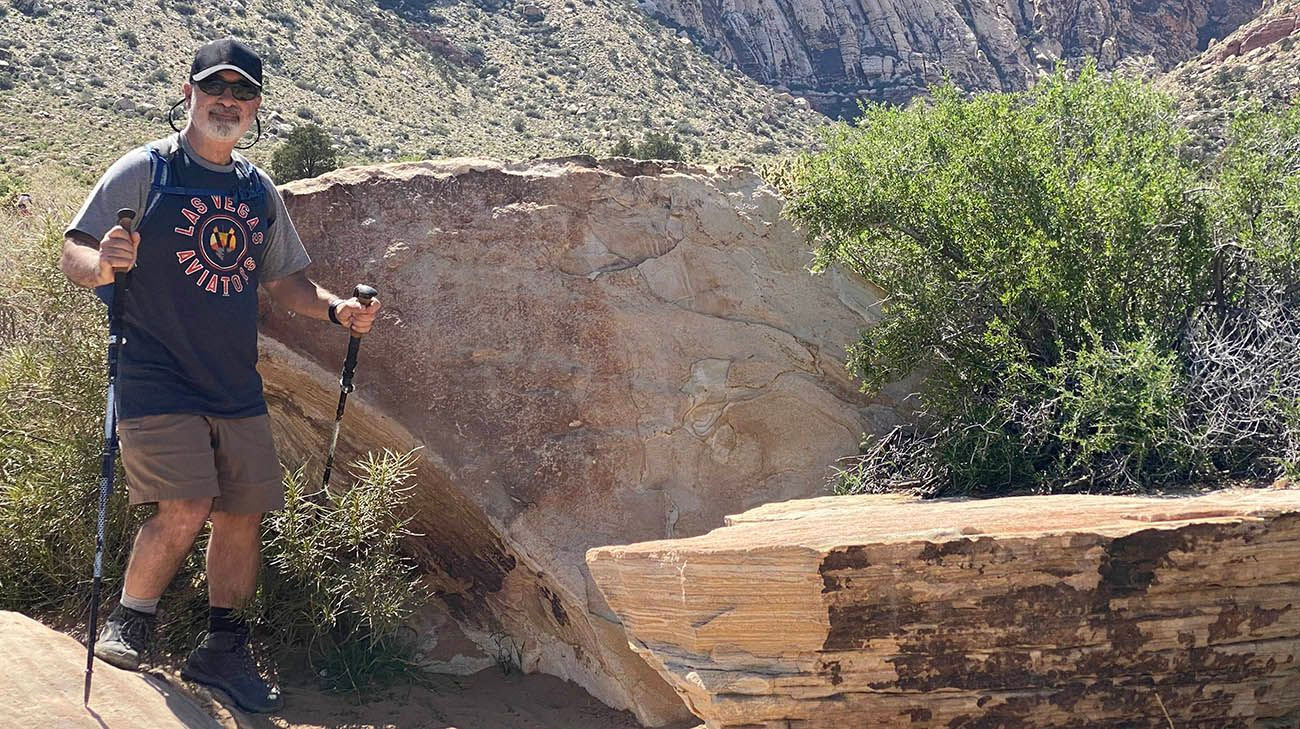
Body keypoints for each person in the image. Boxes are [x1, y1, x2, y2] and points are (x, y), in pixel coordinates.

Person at [59, 38, 380, 713]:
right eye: (215, 89)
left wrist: (334, 309)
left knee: (243, 510)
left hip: (232, 380)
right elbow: (77, 247)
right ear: (189, 95)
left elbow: (287, 281)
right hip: (154, 374)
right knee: (185, 504)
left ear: (256, 106)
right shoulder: (145, 170)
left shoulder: (255, 190)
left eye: (240, 93)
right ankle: (131, 619)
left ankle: (221, 649)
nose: (226, 102)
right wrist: (103, 266)